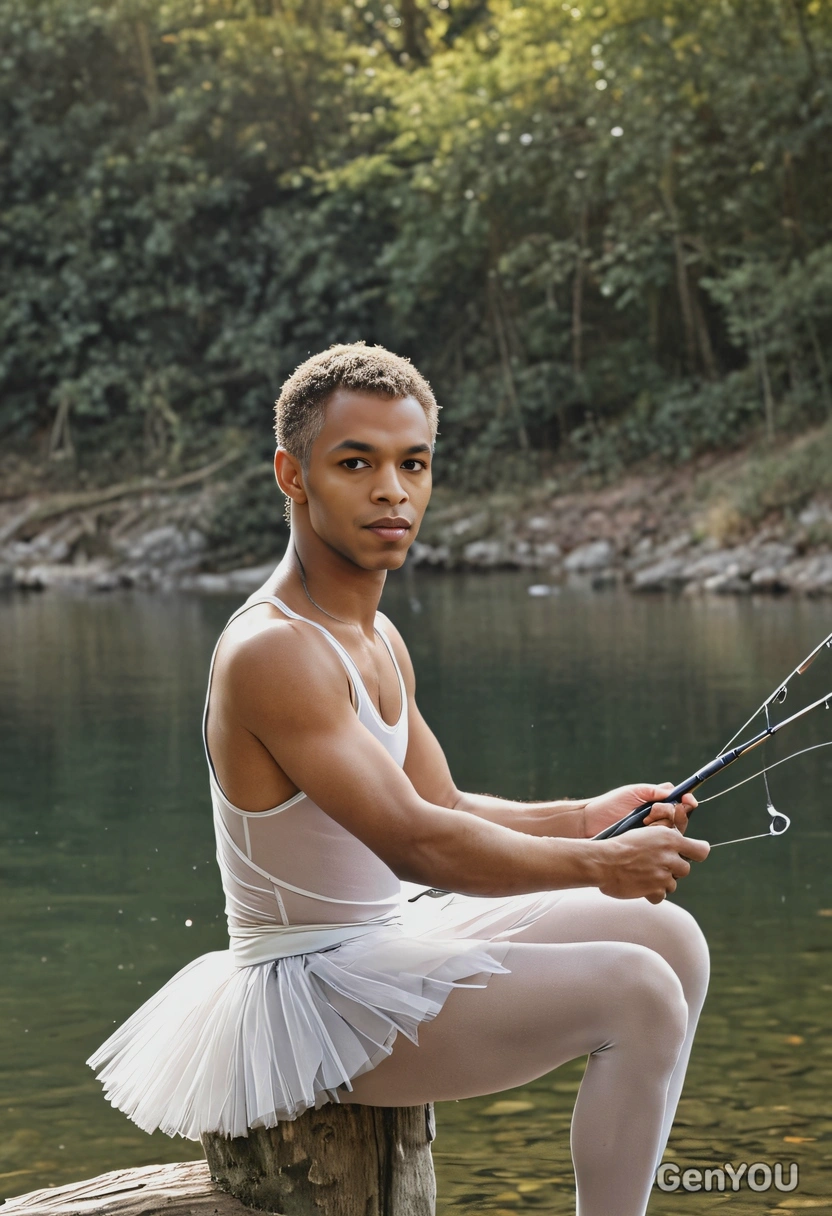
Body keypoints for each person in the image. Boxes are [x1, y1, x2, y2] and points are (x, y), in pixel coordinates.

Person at [88, 342, 710, 1216]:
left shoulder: (374, 637)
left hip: (387, 946)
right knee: (636, 991)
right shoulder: (274, 650)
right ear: (290, 475)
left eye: (412, 463)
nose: (393, 490)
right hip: (308, 992)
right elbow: (417, 843)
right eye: (357, 463)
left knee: (671, 940)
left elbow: (445, 805)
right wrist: (600, 863)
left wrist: (584, 816)